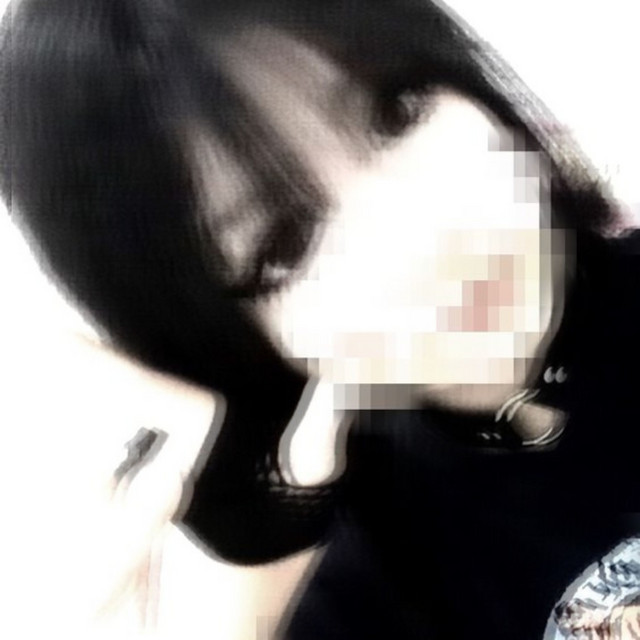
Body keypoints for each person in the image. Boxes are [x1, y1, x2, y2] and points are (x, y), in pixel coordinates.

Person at [1, 0, 639, 637]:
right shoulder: (352, 575)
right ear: (223, 345)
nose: (427, 240)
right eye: (284, 246)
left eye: (398, 112)